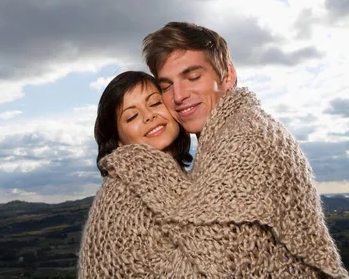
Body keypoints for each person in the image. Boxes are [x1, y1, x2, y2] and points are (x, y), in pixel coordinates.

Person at [124, 21, 346, 278]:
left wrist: (130, 167)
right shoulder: (230, 133)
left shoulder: (243, 140)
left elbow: (220, 264)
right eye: (166, 86)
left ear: (227, 76)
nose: (178, 95)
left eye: (192, 77)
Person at [78, 70, 207, 278]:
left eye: (155, 103)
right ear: (119, 141)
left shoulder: (173, 180)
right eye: (132, 116)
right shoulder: (122, 195)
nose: (149, 116)